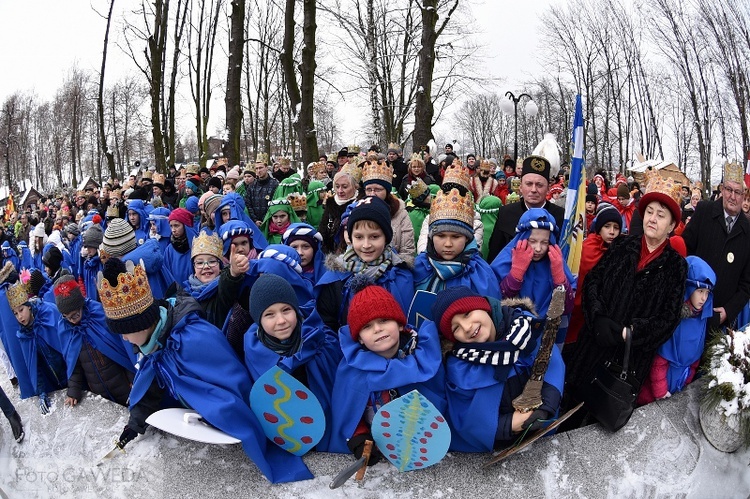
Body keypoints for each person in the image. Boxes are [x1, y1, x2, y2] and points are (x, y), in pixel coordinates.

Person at [99, 257, 312, 483]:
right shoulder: (157, 343)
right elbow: (151, 385)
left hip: (230, 429)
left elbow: (232, 384)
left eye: (125, 331)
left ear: (141, 324)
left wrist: (220, 418)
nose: (123, 338)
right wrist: (135, 425)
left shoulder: (192, 338)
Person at [561, 170, 687, 429]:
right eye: (649, 211)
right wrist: (598, 317)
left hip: (625, 365)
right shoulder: (622, 246)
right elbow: (594, 281)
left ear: (672, 226)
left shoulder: (676, 266)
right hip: (592, 346)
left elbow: (668, 318)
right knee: (568, 413)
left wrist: (629, 333)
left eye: (661, 215)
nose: (653, 219)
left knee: (599, 427)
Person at [429, 286, 564, 452]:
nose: (467, 327)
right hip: (502, 446)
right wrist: (509, 424)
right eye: (455, 328)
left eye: (467, 314)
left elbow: (551, 363)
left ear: (483, 307)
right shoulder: (461, 367)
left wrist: (546, 408)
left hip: (543, 433)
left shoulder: (525, 328)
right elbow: (465, 416)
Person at [327, 285, 446, 463]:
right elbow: (347, 410)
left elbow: (438, 404)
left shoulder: (423, 359)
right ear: (359, 338)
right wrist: (359, 439)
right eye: (367, 326)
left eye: (384, 320)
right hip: (375, 449)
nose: (377, 329)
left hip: (419, 451)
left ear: (399, 324)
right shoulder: (352, 369)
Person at [244, 274, 341, 450]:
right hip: (289, 439)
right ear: (258, 320)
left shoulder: (322, 341)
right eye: (269, 314)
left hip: (327, 433)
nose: (281, 321)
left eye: (286, 310)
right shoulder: (254, 351)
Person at [315, 196, 414, 333]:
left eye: (374, 236)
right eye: (359, 237)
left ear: (386, 237)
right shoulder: (336, 279)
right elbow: (327, 325)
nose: (366, 245)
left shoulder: (402, 274)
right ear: (351, 237)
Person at [637, 256, 715, 405]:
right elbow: (659, 361)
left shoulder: (701, 319)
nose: (703, 298)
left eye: (707, 293)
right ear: (689, 288)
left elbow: (694, 361)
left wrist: (686, 383)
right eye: (700, 291)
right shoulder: (674, 317)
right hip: (655, 390)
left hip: (677, 387)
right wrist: (661, 391)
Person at [491, 208, 576, 345]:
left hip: (546, 338)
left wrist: (559, 277)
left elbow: (567, 307)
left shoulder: (557, 263)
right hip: (511, 335)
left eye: (544, 242)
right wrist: (517, 271)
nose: (538, 248)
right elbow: (495, 300)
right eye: (532, 241)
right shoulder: (504, 261)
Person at [682, 161, 750, 329]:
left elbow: (747, 283)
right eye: (728, 190)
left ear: (743, 196)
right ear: (722, 190)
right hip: (690, 309)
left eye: (737, 192)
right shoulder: (704, 211)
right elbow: (685, 252)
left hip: (721, 318)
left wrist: (728, 311)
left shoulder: (748, 230)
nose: (732, 197)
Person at [54, 276, 135, 407]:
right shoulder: (66, 329)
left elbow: (121, 348)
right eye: (67, 317)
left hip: (122, 384)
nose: (73, 321)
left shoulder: (99, 315)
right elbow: (73, 364)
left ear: (81, 305)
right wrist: (73, 390)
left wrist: (132, 377)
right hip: (98, 390)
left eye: (75, 315)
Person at [413, 187, 499, 296]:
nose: (448, 244)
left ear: (467, 238)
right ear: (431, 237)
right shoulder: (418, 268)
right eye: (441, 236)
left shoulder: (481, 275)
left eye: (456, 237)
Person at [486, 150, 565, 262]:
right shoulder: (505, 213)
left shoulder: (560, 216)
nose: (533, 190)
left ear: (548, 188)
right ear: (520, 187)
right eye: (528, 184)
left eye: (539, 185)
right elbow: (495, 254)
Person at [6, 280, 68, 415]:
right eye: (15, 313)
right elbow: (35, 366)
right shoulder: (24, 335)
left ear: (28, 306)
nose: (20, 317)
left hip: (69, 372)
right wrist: (42, 393)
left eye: (21, 310)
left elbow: (68, 346)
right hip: (53, 380)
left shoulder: (48, 313)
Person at [566, 203, 622, 345]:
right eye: (607, 226)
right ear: (599, 228)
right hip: (578, 307)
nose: (612, 232)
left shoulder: (620, 251)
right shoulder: (586, 249)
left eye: (616, 228)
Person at [361, 154, 415, 258]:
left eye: (378, 190)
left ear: (387, 191)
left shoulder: (400, 213)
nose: (372, 194)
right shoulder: (357, 210)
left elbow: (407, 249)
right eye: (369, 189)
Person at [318, 162, 361, 255]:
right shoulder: (331, 203)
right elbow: (323, 229)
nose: (340, 191)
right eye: (337, 186)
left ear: (355, 187)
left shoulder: (360, 205)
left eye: (345, 187)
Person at [244, 153, 280, 226]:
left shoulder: (275, 184)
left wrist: (265, 218)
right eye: (256, 168)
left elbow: (275, 203)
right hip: (254, 223)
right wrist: (255, 220)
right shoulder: (252, 185)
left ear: (266, 168)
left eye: (261, 168)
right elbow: (248, 204)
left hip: (270, 222)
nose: (258, 171)